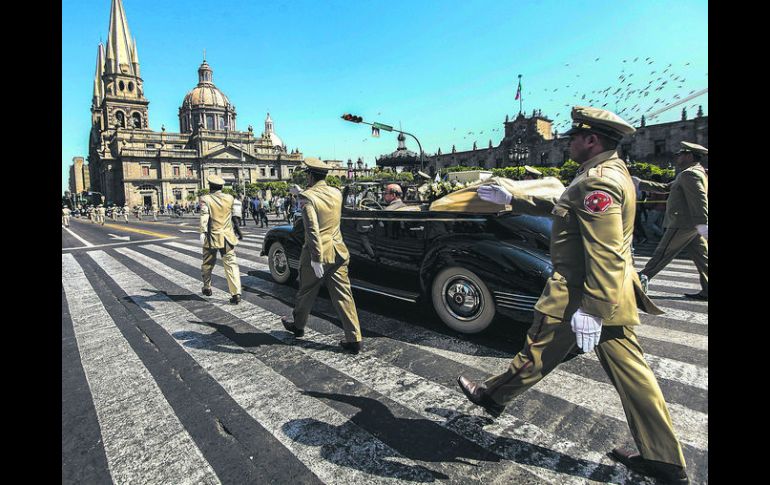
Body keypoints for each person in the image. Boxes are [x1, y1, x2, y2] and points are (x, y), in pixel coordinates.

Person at [460, 106, 690, 484]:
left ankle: (493, 396)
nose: (566, 143)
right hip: (605, 292)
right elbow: (566, 206)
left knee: (542, 347)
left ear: (591, 140)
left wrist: (594, 309)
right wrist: (513, 196)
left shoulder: (596, 182)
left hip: (582, 292)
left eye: (573, 137)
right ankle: (663, 458)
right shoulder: (610, 173)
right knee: (614, 371)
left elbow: (606, 250)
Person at [280, 158, 363, 354]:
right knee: (344, 296)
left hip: (317, 254)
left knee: (306, 291)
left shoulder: (307, 197)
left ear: (310, 175)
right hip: (338, 251)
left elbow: (313, 230)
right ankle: (354, 338)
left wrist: (316, 258)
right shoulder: (336, 193)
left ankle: (298, 326)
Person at [633, 141, 708, 300]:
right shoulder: (692, 172)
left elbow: (700, 199)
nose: (677, 157)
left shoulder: (690, 174)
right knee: (703, 259)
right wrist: (640, 184)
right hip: (692, 226)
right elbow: (666, 188)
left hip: (683, 224)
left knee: (662, 253)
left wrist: (703, 222)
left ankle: (637, 283)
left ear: (689, 155)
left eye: (680, 154)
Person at [199, 175, 242, 304]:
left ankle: (207, 287)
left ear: (210, 186)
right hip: (227, 237)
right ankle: (236, 293)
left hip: (211, 236)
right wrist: (238, 230)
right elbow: (235, 215)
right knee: (231, 264)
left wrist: (202, 231)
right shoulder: (230, 198)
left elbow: (204, 216)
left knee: (207, 264)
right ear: (222, 186)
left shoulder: (205, 199)